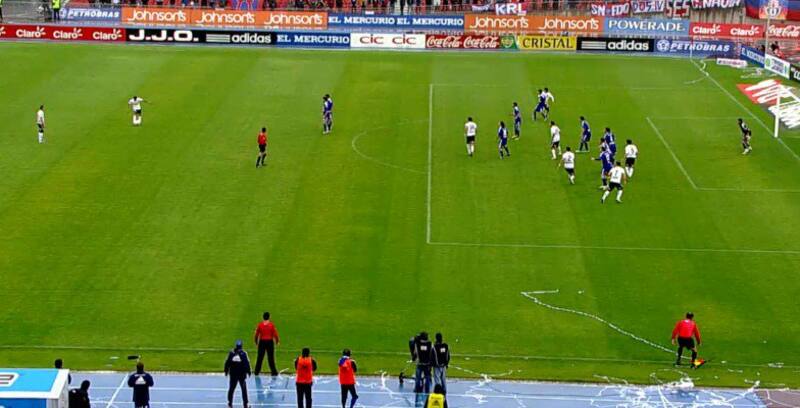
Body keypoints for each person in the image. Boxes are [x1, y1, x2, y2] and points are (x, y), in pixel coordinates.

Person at [224, 340, 251, 408]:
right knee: (243, 389)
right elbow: (246, 363)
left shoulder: (231, 353)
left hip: (233, 374)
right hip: (241, 374)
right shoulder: (244, 353)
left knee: (231, 389)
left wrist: (226, 371)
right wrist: (248, 371)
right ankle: (246, 403)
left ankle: (230, 403)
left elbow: (227, 363)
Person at [253, 312, 280, 376]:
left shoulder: (260, 325)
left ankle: (256, 371)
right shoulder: (271, 325)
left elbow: (256, 334)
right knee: (271, 358)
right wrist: (277, 341)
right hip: (270, 342)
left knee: (260, 358)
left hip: (262, 342)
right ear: (269, 317)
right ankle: (274, 372)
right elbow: (275, 334)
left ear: (263, 317)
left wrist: (256, 342)